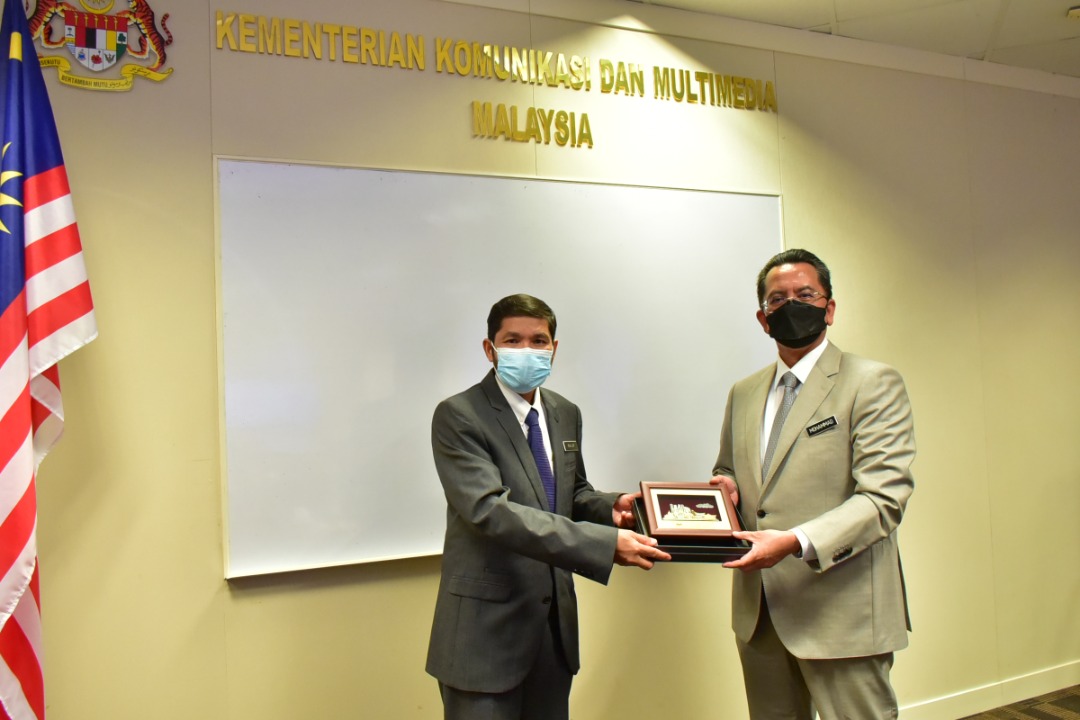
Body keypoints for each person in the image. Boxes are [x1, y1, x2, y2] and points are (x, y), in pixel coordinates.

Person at [427, 293, 670, 720]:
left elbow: (570, 493)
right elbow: (490, 512)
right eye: (513, 340)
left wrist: (610, 508)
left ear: (554, 348)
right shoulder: (459, 415)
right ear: (490, 349)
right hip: (484, 637)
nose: (527, 350)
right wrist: (604, 543)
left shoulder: (564, 412)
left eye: (538, 340)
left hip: (552, 632)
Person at [710, 249, 915, 719]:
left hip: (842, 611)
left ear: (830, 307)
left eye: (805, 295)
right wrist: (724, 486)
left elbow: (883, 498)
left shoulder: (872, 382)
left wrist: (793, 541)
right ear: (763, 319)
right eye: (778, 300)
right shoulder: (744, 393)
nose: (792, 306)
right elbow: (728, 468)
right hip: (760, 613)